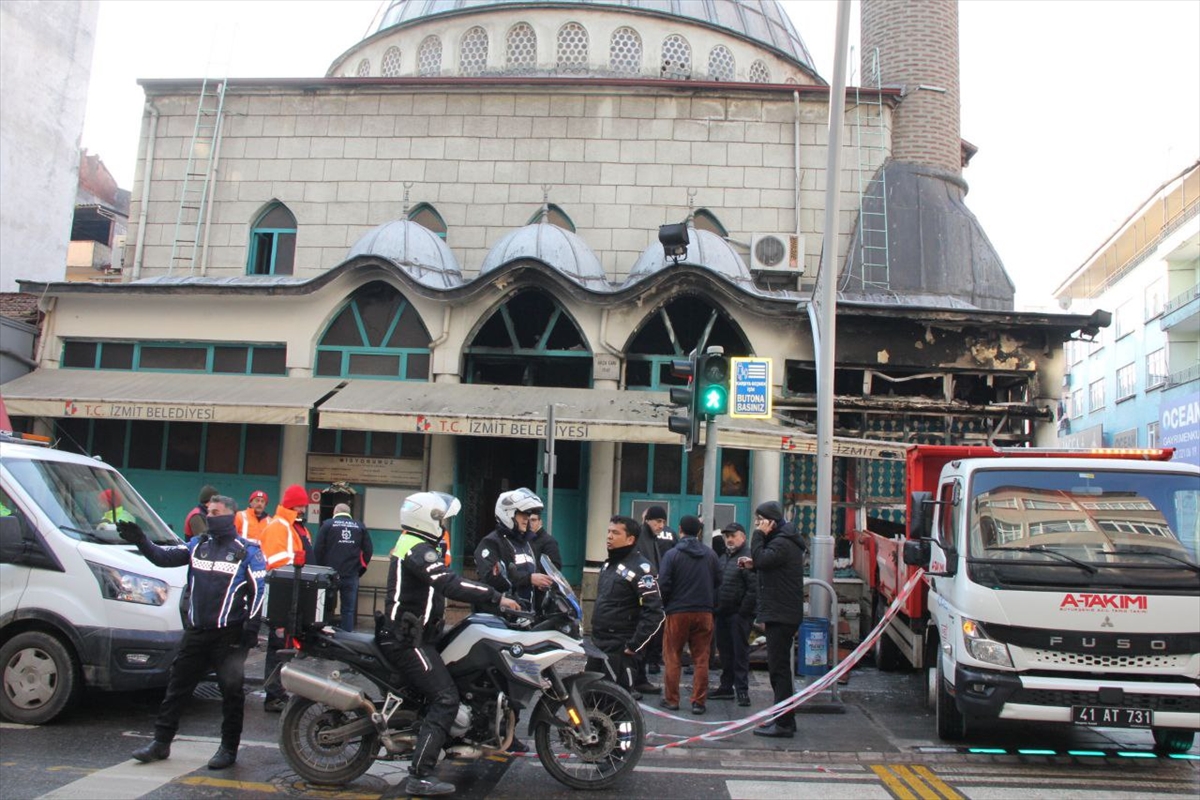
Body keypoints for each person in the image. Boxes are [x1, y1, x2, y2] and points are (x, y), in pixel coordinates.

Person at [379, 491, 520, 797]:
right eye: (441, 520)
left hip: (421, 634)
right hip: (407, 640)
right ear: (426, 519)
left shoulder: (417, 545)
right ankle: (420, 774)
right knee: (445, 697)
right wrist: (495, 597)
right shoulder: (417, 549)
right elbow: (450, 584)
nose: (445, 525)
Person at [117, 495, 265, 770]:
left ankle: (228, 748)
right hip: (197, 633)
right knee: (176, 687)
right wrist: (141, 540)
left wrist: (250, 631)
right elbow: (164, 558)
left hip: (228, 636)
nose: (210, 516)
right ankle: (161, 743)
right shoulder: (198, 545)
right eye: (208, 511)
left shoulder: (247, 551)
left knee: (232, 694)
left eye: (216, 512)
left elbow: (259, 593)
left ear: (230, 515)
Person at [745, 500, 807, 739]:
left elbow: (762, 559)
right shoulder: (782, 541)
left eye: (760, 520)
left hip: (781, 614)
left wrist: (758, 536)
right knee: (779, 670)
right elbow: (766, 564)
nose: (758, 525)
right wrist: (754, 566)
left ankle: (784, 723)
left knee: (779, 670)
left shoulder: (781, 542)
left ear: (771, 521)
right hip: (781, 612)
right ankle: (782, 717)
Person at [586, 515, 664, 697]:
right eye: (608, 532)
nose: (609, 536)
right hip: (598, 643)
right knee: (590, 698)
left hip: (620, 649)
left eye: (615, 533)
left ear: (630, 539)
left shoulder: (642, 568)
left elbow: (655, 612)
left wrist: (634, 645)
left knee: (617, 703)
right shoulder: (608, 565)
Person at [259, 483, 314, 712]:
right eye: (301, 504)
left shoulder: (295, 526)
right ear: (295, 505)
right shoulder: (280, 526)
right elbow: (277, 564)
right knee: (278, 643)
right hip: (283, 596)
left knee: (288, 644)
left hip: (294, 594)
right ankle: (273, 695)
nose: (304, 508)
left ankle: (280, 690)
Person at [657, 515, 721, 715]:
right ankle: (699, 701)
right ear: (699, 532)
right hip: (704, 611)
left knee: (672, 656)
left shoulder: (672, 554)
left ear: (680, 530)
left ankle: (672, 699)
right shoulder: (710, 555)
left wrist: (666, 605)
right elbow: (719, 580)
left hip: (677, 612)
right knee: (702, 658)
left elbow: (664, 584)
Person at [474, 488, 553, 610]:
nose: (527, 518)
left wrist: (541, 585)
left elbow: (533, 574)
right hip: (499, 614)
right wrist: (529, 579)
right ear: (508, 513)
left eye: (528, 514)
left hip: (524, 614)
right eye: (522, 513)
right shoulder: (491, 543)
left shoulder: (527, 544)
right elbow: (491, 578)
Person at [710, 522, 757, 707]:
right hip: (722, 613)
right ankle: (726, 687)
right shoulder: (724, 558)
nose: (729, 539)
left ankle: (742, 691)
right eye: (726, 536)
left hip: (739, 615)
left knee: (740, 653)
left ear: (743, 537)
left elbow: (753, 589)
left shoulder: (748, 558)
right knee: (725, 653)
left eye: (733, 535)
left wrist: (743, 612)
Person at [314, 503, 373, 632]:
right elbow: (368, 551)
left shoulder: (328, 525)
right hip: (351, 574)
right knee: (348, 609)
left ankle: (325, 635)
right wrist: (360, 569)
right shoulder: (359, 526)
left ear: (335, 512)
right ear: (349, 513)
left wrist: (321, 569)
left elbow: (318, 549)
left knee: (327, 607)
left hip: (330, 575)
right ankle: (347, 637)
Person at [635, 505, 675, 684]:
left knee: (647, 639)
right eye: (658, 521)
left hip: (650, 597)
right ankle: (636, 679)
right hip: (641, 598)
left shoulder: (651, 538)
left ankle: (641, 678)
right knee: (640, 642)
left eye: (664, 522)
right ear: (648, 520)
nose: (661, 525)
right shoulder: (641, 538)